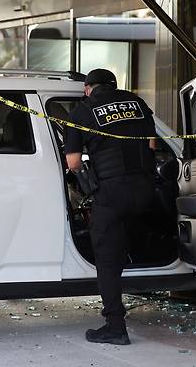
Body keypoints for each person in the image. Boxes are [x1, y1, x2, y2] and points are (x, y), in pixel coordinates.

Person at [64, 68, 157, 345]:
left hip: (112, 194)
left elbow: (73, 163)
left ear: (88, 88)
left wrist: (90, 183)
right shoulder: (137, 104)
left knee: (107, 261)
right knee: (143, 232)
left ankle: (115, 327)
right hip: (144, 189)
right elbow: (151, 145)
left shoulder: (82, 112)